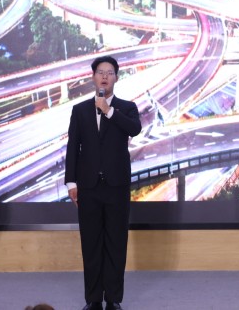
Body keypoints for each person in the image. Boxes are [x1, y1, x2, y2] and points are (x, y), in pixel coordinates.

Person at [65, 55, 142, 310]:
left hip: (116, 187)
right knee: (91, 244)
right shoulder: (80, 110)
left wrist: (108, 111)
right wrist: (71, 183)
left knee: (116, 244)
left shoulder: (126, 108)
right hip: (88, 188)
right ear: (93, 77)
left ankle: (113, 299)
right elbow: (73, 148)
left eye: (109, 72)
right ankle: (94, 299)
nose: (105, 76)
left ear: (116, 78)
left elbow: (134, 129)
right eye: (100, 72)